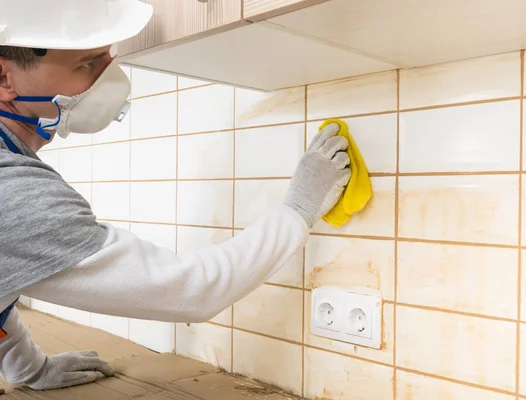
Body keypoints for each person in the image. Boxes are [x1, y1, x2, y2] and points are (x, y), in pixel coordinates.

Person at [0, 0, 351, 391]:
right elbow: (192, 290)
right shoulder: (12, 188)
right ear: (3, 79)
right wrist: (299, 208)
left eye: (108, 59)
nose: (109, 79)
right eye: (87, 64)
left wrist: (28, 367)